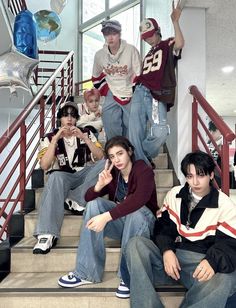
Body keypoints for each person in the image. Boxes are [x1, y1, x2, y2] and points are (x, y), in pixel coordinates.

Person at [122, 150, 236, 308]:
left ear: (211, 175)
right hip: (170, 260)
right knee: (135, 244)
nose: (195, 182)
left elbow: (229, 243)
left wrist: (212, 261)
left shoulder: (225, 204)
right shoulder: (174, 194)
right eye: (190, 176)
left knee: (228, 279)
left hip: (200, 265)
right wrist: (167, 250)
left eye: (200, 175)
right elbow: (162, 227)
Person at [58, 136, 158, 297]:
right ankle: (86, 272)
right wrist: (99, 186)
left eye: (120, 154)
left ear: (129, 152)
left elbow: (138, 200)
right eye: (112, 156)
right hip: (123, 224)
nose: (116, 160)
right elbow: (88, 198)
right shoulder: (114, 174)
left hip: (144, 223)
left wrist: (105, 218)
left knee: (136, 212)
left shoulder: (143, 170)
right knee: (94, 205)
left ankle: (128, 276)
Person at [33, 101, 104, 254]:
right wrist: (55, 140)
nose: (69, 119)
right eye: (66, 115)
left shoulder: (86, 132)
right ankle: (46, 234)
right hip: (63, 177)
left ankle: (77, 200)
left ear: (77, 118)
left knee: (107, 163)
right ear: (60, 119)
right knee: (55, 177)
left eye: (73, 115)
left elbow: (99, 156)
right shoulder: (49, 137)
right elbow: (45, 165)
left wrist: (85, 139)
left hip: (84, 175)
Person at [129, 1, 184, 165]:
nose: (149, 40)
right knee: (135, 131)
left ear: (158, 31)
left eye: (151, 35)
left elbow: (180, 44)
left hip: (154, 92)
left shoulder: (167, 44)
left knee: (160, 131)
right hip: (139, 90)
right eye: (145, 37)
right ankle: (140, 161)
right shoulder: (148, 54)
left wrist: (175, 22)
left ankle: (140, 156)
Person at [92, 20, 141, 140]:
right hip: (111, 92)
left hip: (130, 91)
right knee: (109, 122)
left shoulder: (131, 50)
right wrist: (106, 89)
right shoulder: (99, 55)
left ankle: (131, 154)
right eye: (107, 34)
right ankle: (114, 152)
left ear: (119, 34)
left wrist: (135, 91)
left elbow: (139, 74)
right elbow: (96, 76)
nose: (110, 37)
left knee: (132, 127)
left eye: (113, 33)